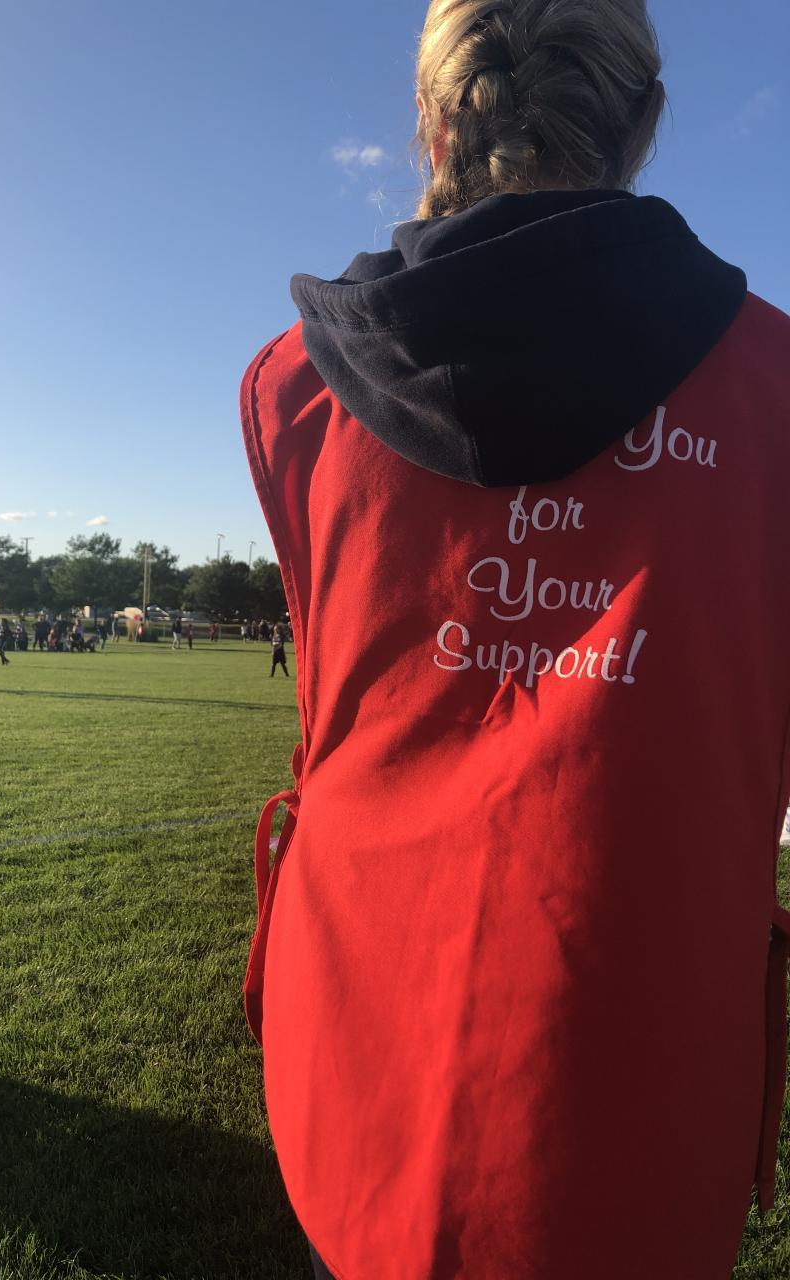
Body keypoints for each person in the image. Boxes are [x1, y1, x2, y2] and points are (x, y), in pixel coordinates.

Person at [239, 3, 790, 1278]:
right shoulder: (775, 391)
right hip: (643, 1098)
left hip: (359, 1078)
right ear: (644, 124)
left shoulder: (298, 389)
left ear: (430, 123)